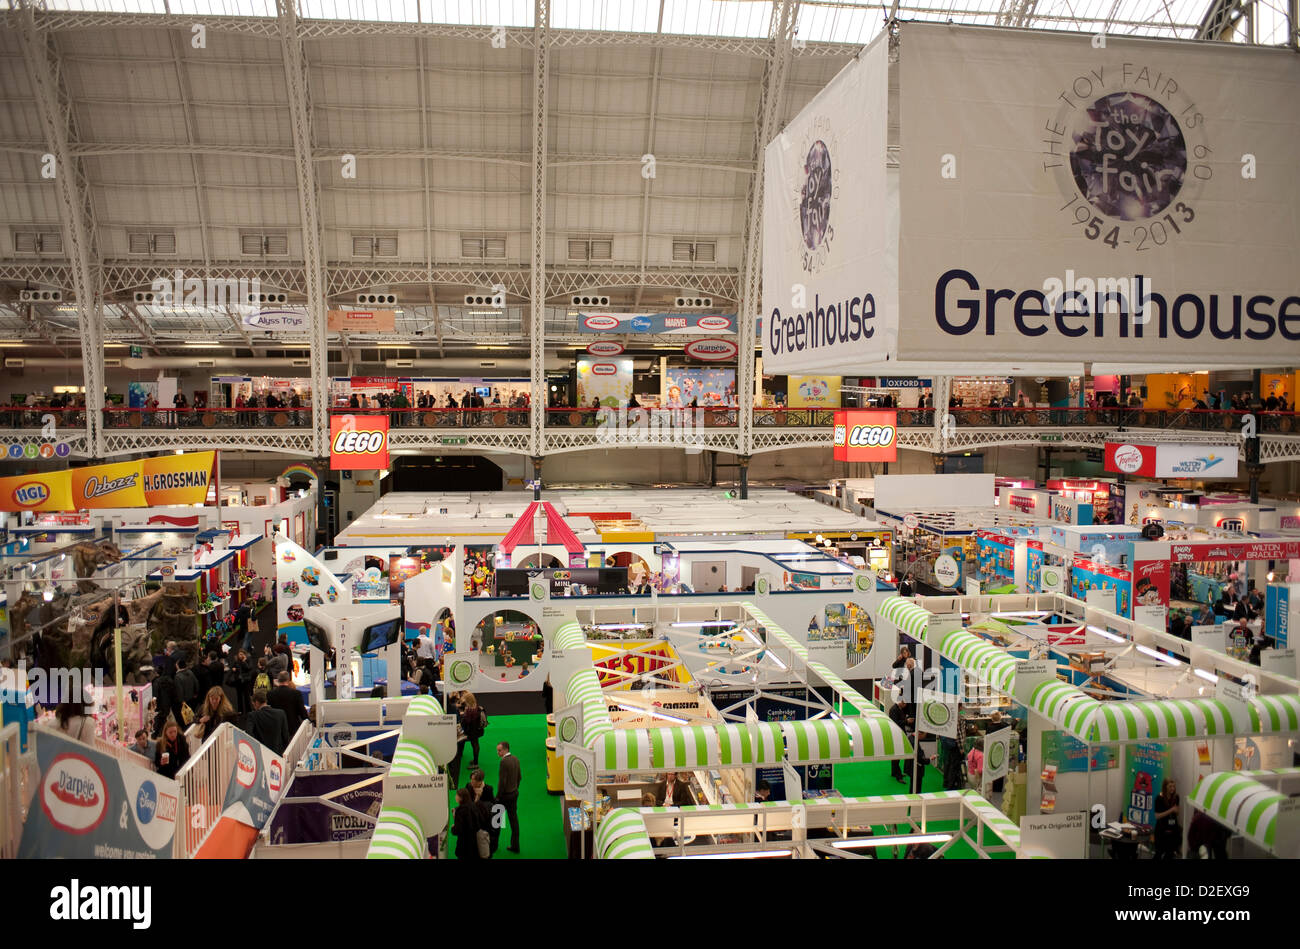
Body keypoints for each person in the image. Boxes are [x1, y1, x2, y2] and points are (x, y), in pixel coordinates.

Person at [245, 689, 290, 755]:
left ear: (256, 702)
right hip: (277, 753)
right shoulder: (280, 713)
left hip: (260, 753)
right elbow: (285, 735)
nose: (254, 707)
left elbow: (249, 733)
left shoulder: (252, 715)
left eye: (253, 704)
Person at [496, 741, 521, 853]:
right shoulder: (516, 759)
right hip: (514, 793)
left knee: (496, 820)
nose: (498, 752)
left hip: (504, 796)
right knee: (514, 821)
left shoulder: (504, 762)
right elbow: (519, 777)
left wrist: (498, 797)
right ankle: (515, 846)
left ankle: (493, 844)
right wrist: (515, 788)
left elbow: (502, 782)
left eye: (499, 750)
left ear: (506, 749)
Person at [468, 768, 499, 856]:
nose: (471, 781)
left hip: (483, 822)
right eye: (471, 779)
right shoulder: (468, 786)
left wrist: (479, 798)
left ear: (480, 781)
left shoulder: (488, 789)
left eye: (473, 780)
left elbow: (491, 806)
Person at [452, 787, 484, 860]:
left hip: (464, 843)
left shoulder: (460, 811)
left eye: (457, 795)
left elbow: (457, 830)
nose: (455, 797)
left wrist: (453, 826)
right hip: (474, 842)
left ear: (461, 798)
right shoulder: (473, 805)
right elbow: (480, 822)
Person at [1153, 778, 1182, 859]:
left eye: (1173, 786)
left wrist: (1176, 811)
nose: (1172, 788)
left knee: (1170, 853)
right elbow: (1157, 816)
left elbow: (1177, 812)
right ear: (1165, 787)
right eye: (1170, 786)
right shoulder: (1159, 798)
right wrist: (1171, 810)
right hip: (1161, 829)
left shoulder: (1176, 797)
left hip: (1173, 828)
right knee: (1159, 852)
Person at [458, 692, 486, 766]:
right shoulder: (477, 707)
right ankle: (475, 761)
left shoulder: (470, 710)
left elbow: (466, 721)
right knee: (475, 744)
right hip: (478, 730)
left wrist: (463, 715)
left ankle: (475, 763)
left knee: (469, 743)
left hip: (471, 731)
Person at [888, 696, 910, 782]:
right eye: (904, 703)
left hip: (898, 733)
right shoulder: (894, 710)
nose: (905, 705)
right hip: (897, 734)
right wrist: (907, 721)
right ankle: (898, 775)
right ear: (900, 702)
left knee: (896, 755)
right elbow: (896, 723)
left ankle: (894, 772)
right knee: (898, 754)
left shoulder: (898, 708)